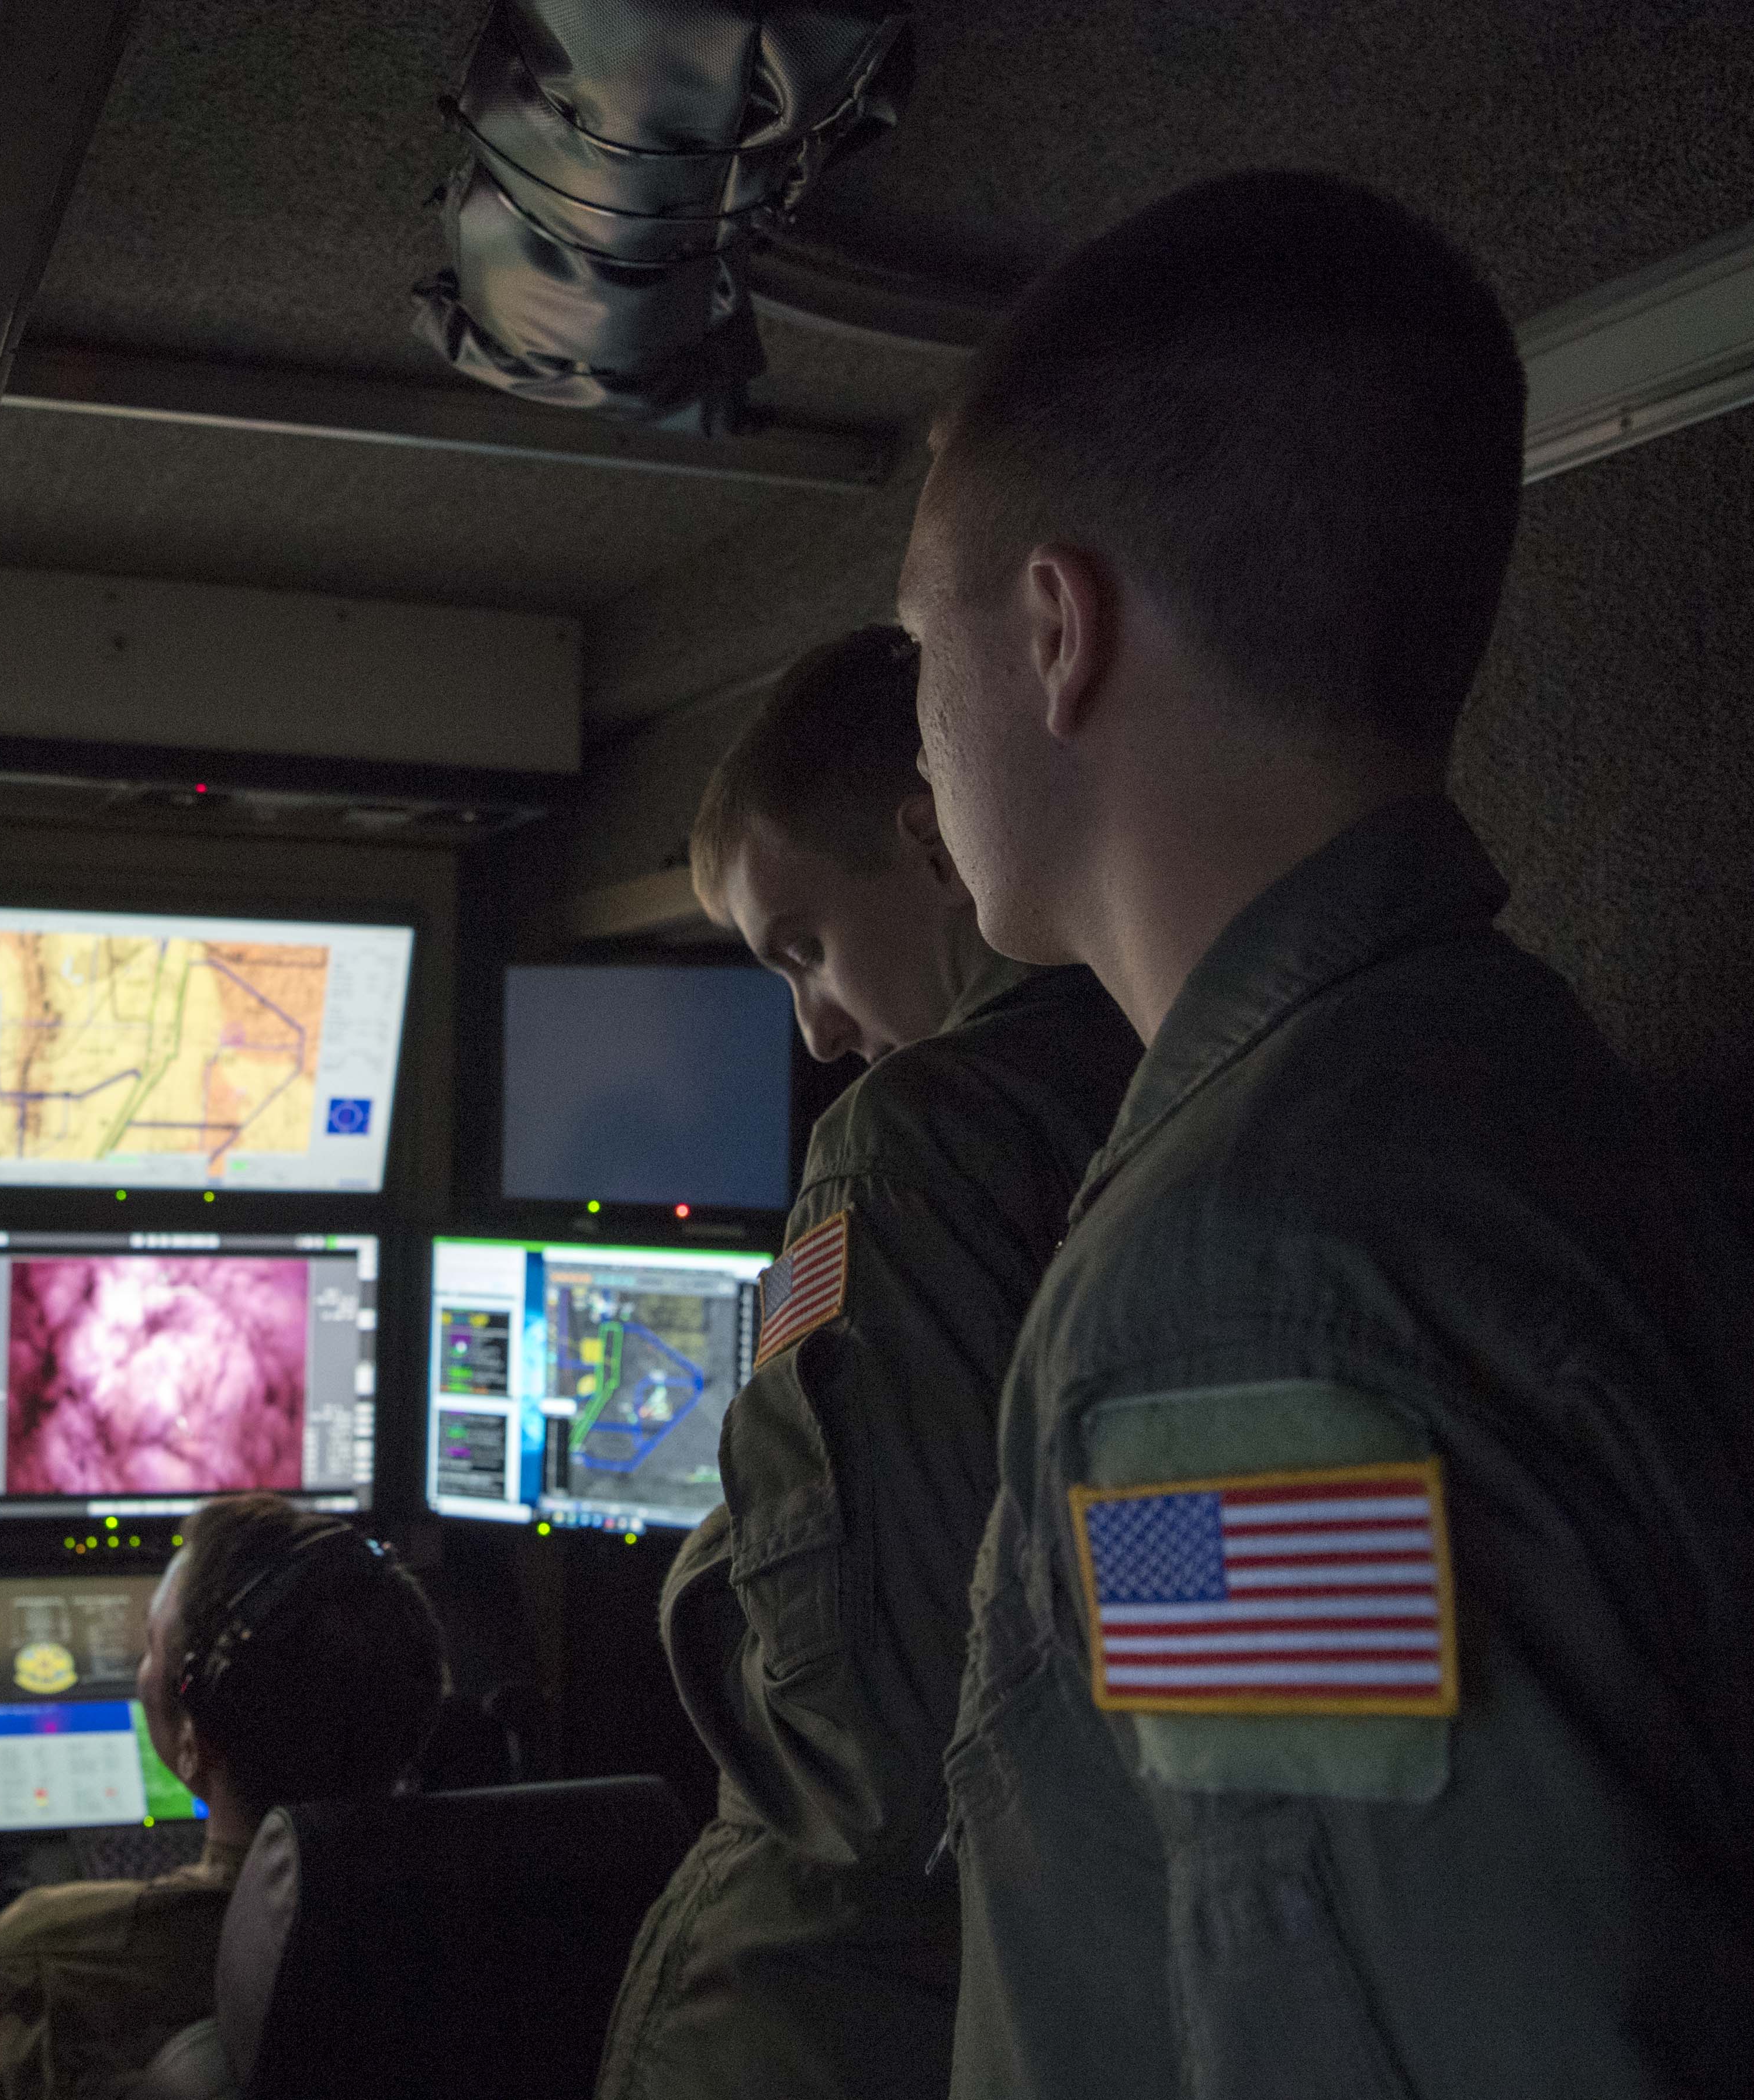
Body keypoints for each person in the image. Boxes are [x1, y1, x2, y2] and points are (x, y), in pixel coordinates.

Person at [900, 171, 1754, 2097]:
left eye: (910, 650)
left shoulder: (1238, 1306)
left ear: (1050, 632)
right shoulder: (1498, 1082)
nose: (918, 741)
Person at [595, 628, 1140, 2100]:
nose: (821, 1031)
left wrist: (708, 1579)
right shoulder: (1184, 1078)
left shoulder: (915, 1142)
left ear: (929, 840)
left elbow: (868, 1754)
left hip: (857, 2002)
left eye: (804, 949)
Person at [0, 1495, 447, 2100]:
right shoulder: (478, 1933)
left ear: (190, 1739)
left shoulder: (47, 1965)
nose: (143, 1668)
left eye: (152, 1646)